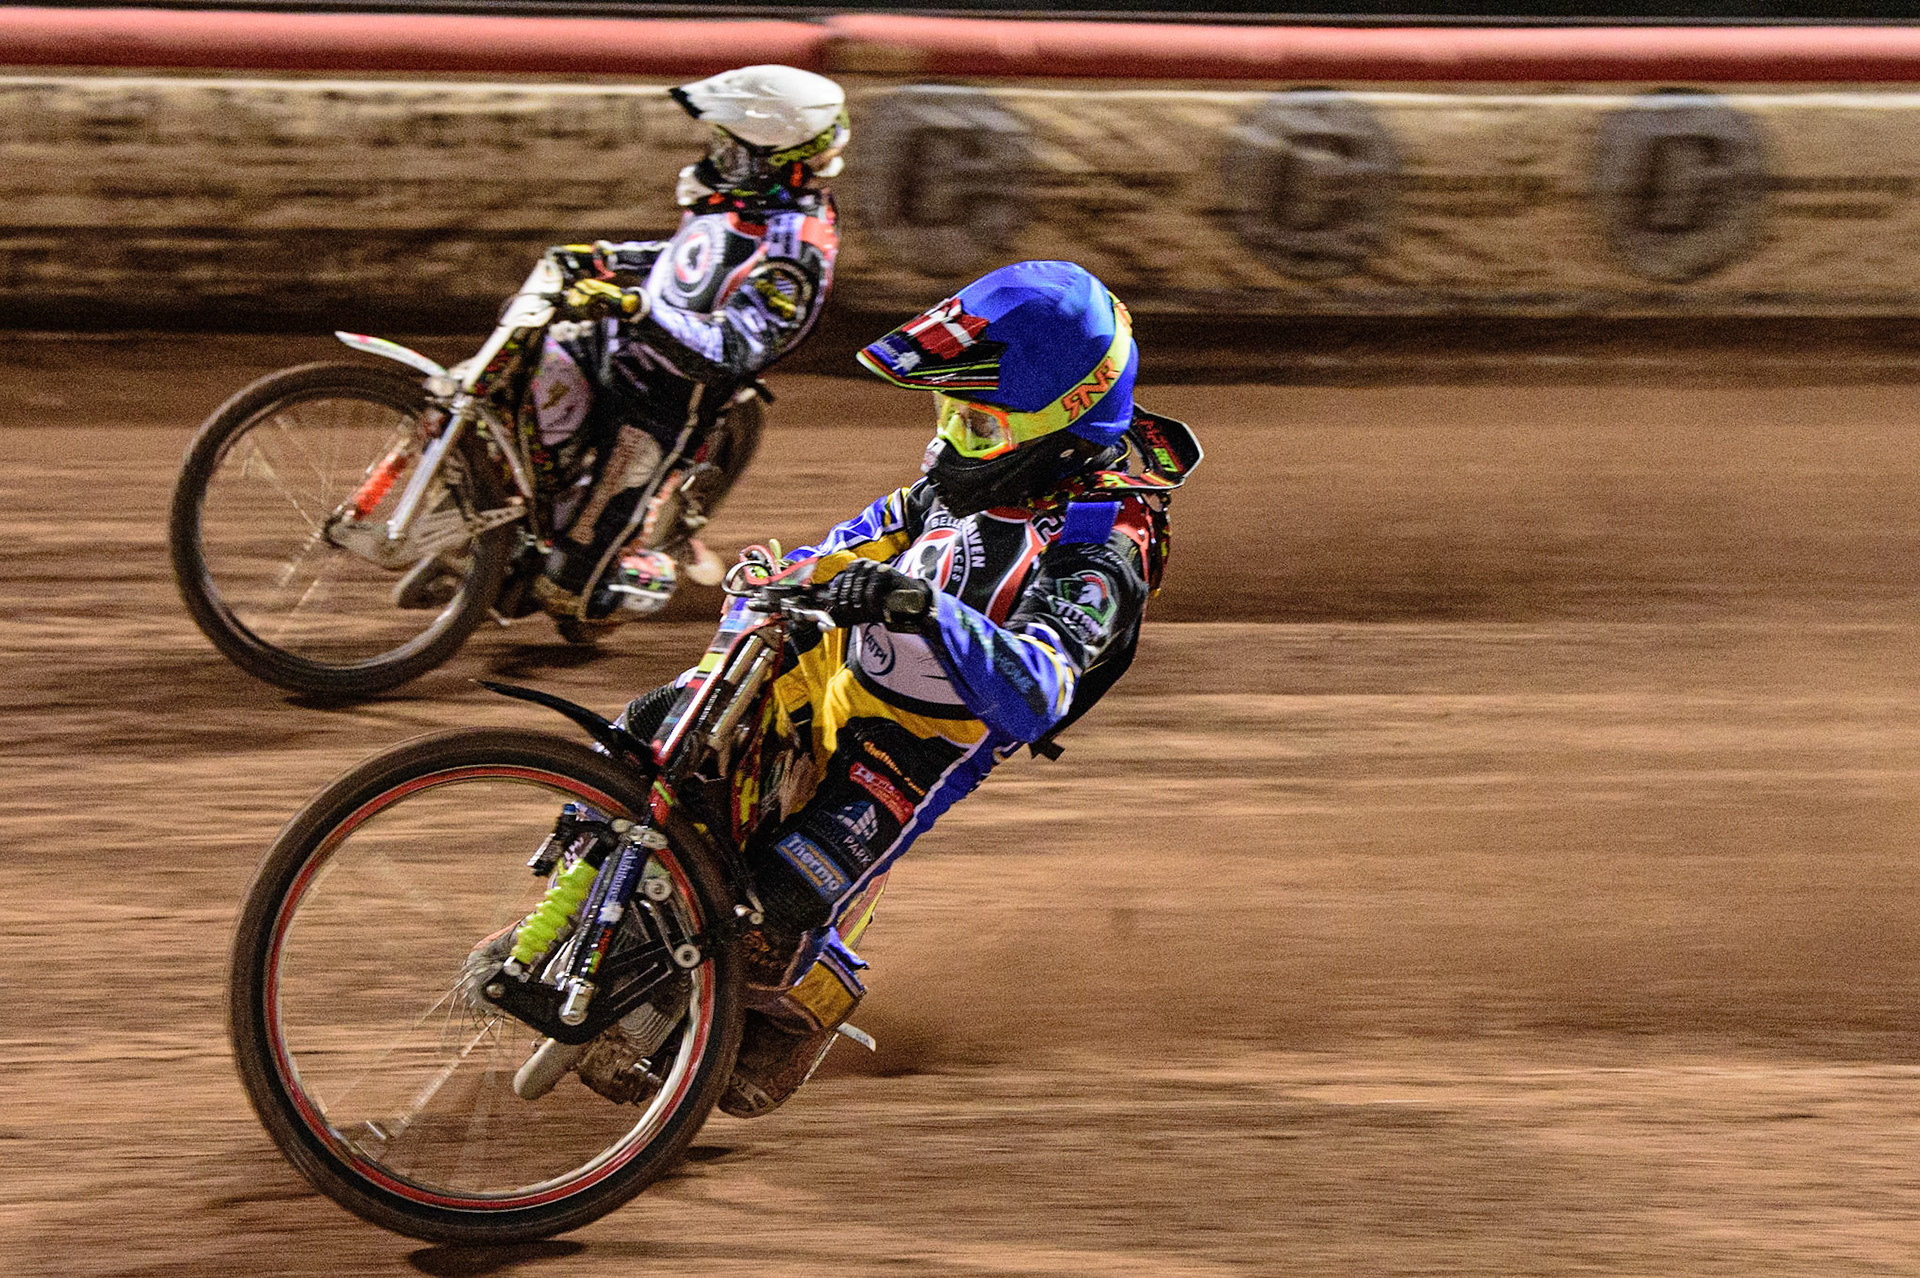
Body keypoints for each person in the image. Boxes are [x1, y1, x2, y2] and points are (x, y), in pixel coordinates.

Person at [613, 260, 1202, 1115]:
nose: (952, 442)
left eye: (979, 424)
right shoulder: (965, 473)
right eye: (948, 415)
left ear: (1064, 425)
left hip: (921, 745)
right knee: (648, 728)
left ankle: (798, 998)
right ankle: (586, 904)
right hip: (834, 663)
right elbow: (855, 540)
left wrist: (927, 608)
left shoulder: (1106, 541)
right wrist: (787, 582)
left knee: (774, 907)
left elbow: (1040, 688)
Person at [527, 64, 848, 625]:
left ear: (778, 163)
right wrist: (606, 260)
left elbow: (734, 346)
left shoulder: (797, 252)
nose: (719, 159)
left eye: (734, 151)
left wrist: (638, 308)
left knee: (565, 590)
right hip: (616, 343)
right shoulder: (744, 205)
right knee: (526, 392)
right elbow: (687, 258)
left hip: (666, 397)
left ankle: (640, 568)